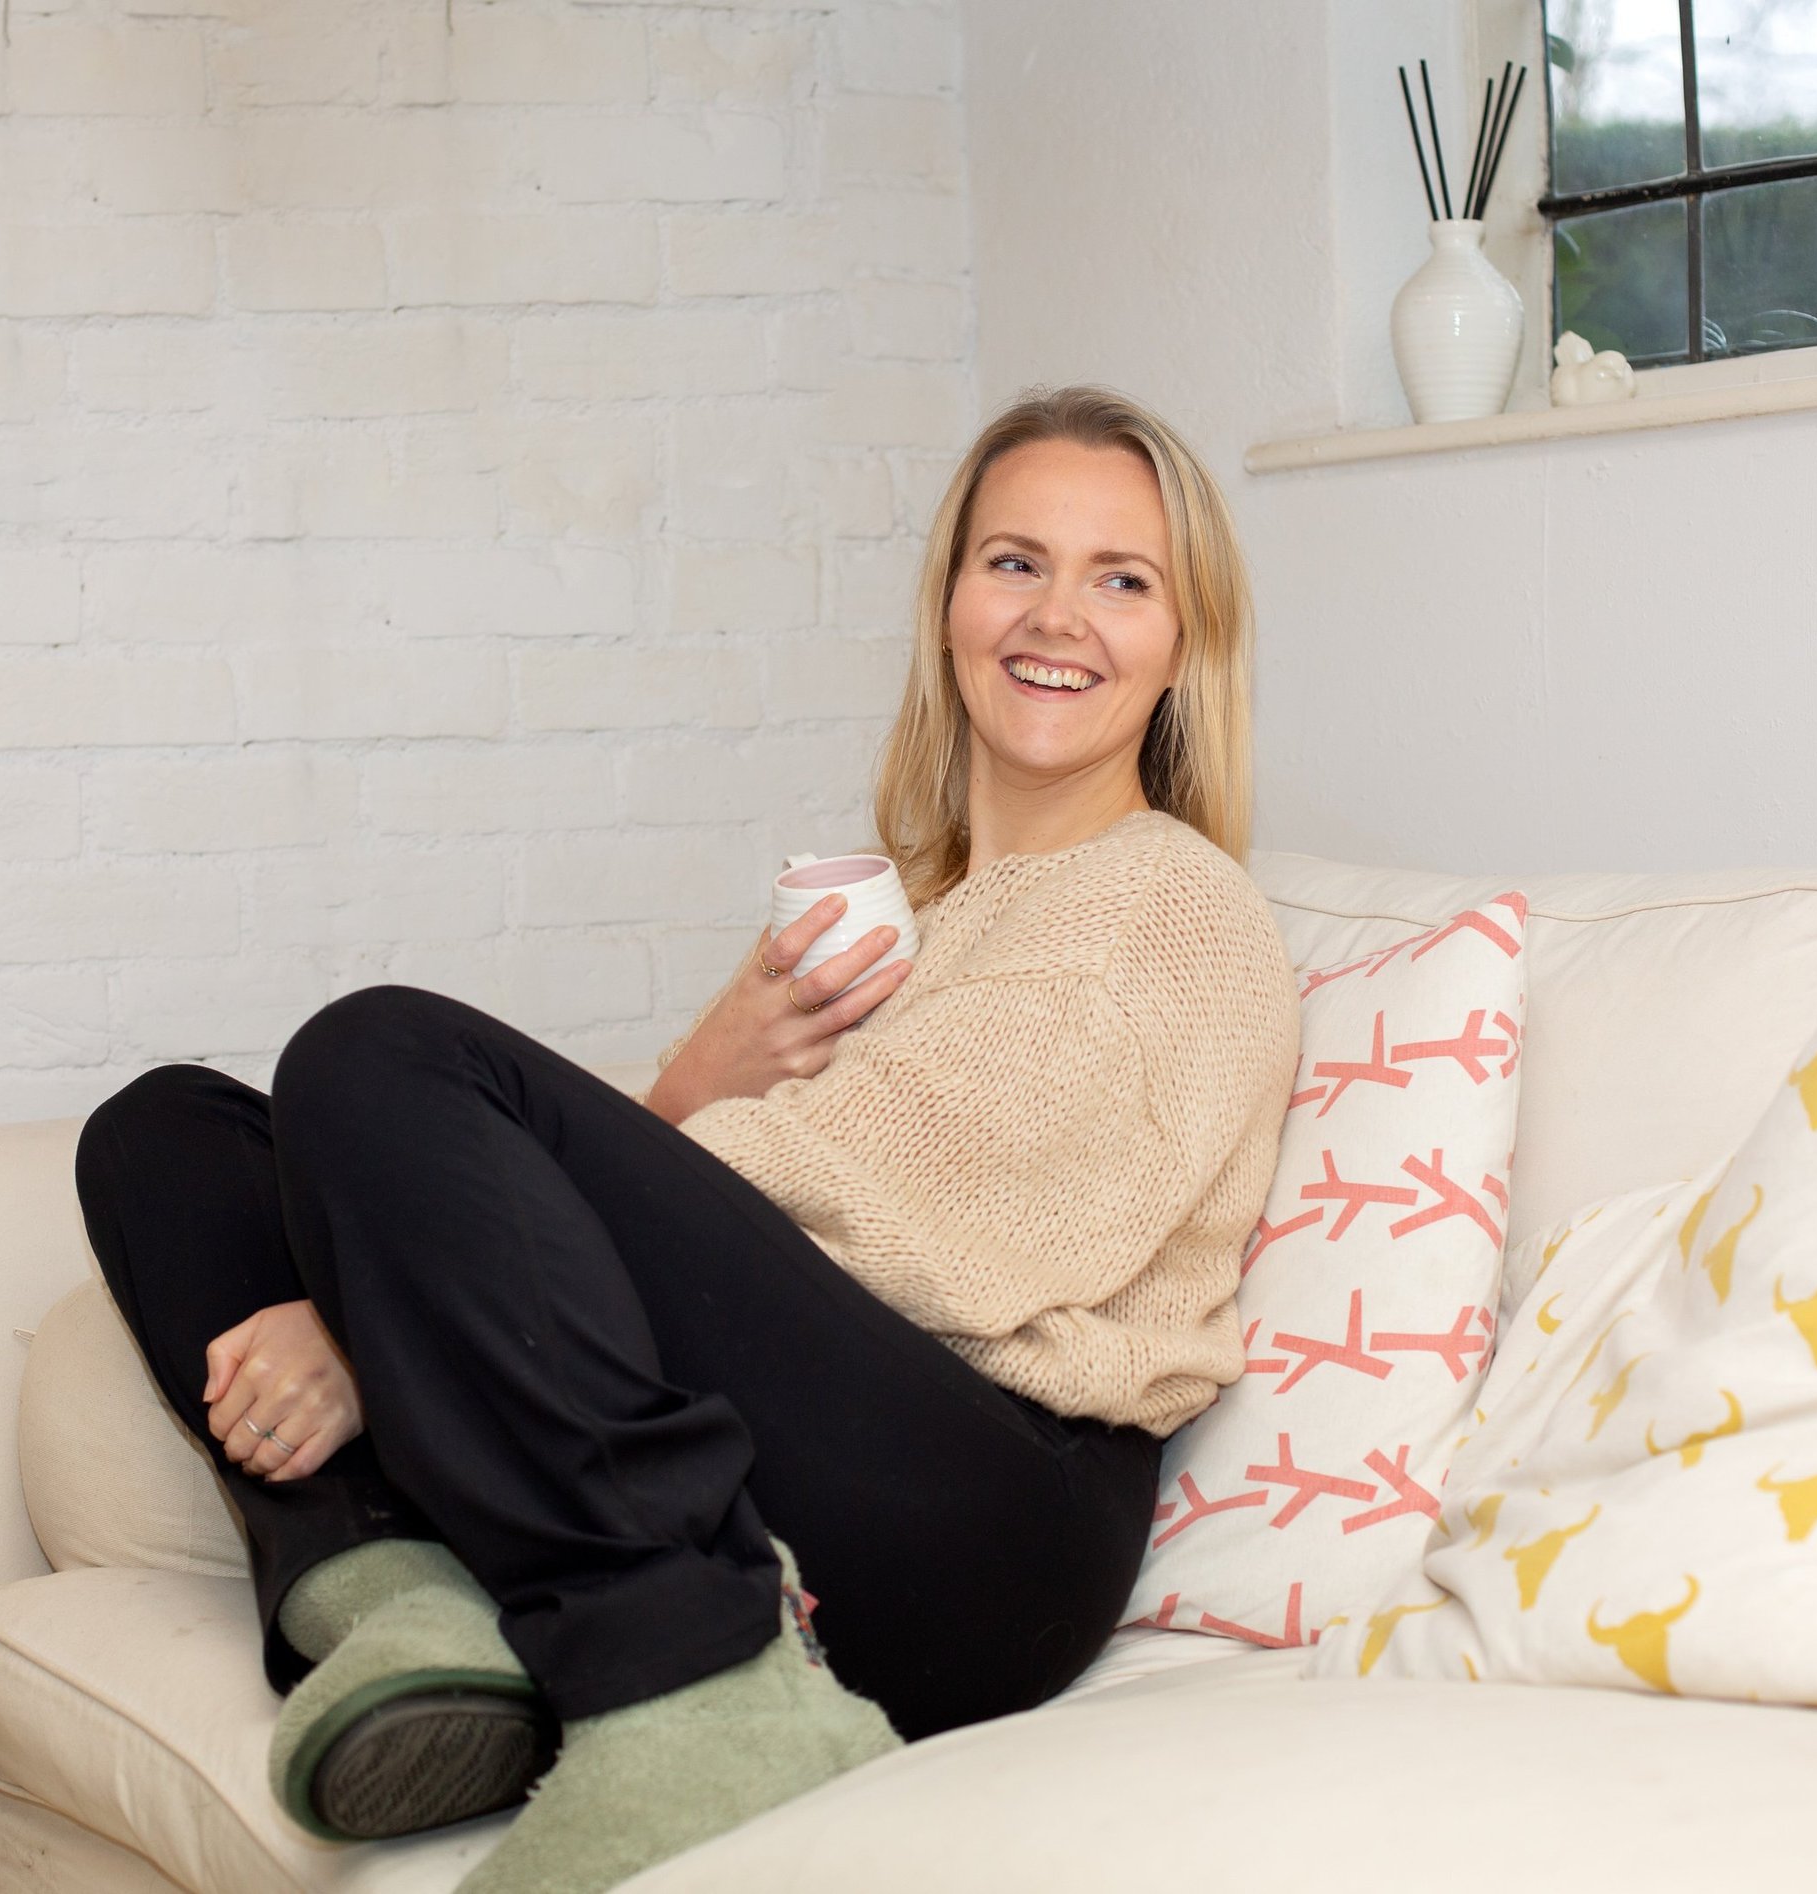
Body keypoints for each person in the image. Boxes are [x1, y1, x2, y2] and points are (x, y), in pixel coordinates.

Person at [72, 385, 1300, 1894]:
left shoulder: (1172, 904)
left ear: (1185, 644)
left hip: (984, 1523)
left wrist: (374, 1311)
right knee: (167, 1140)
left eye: (1123, 579)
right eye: (1015, 562)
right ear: (949, 604)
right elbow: (667, 1254)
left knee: (380, 1053)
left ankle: (695, 1695)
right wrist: (687, 1094)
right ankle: (406, 1611)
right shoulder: (901, 919)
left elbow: (912, 1225)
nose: (1058, 615)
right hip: (791, 1462)